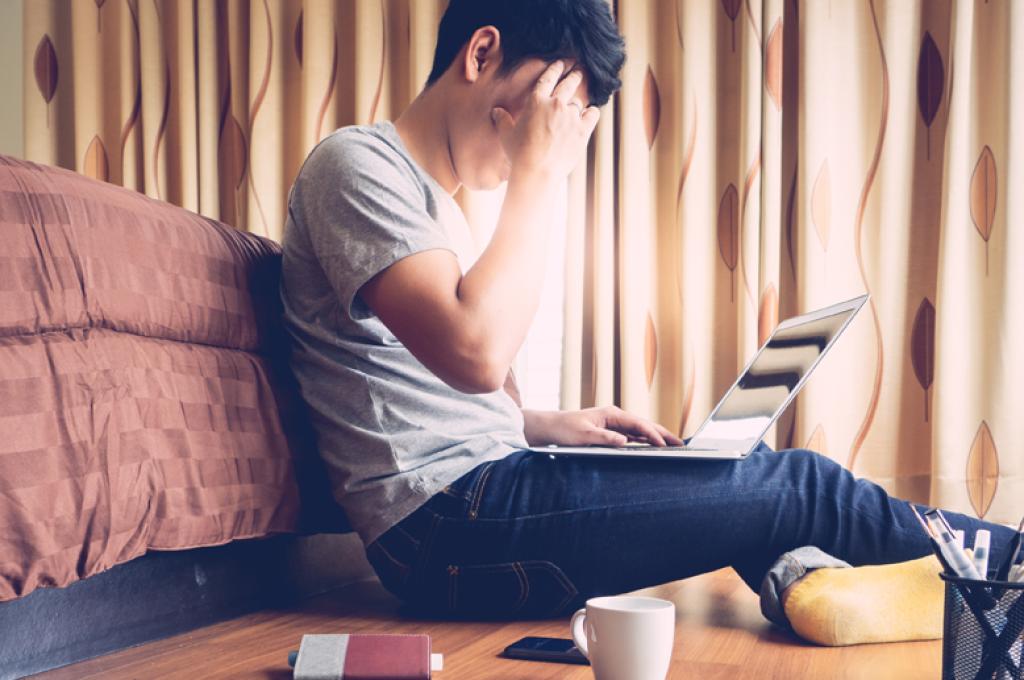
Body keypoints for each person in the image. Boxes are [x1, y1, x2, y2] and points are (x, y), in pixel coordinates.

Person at [280, 0, 1022, 643]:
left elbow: (425, 389)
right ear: (483, 52)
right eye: (556, 109)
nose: (554, 140)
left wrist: (541, 423)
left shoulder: (435, 209)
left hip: (482, 496)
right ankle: (1009, 572)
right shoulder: (355, 164)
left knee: (749, 487)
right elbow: (474, 351)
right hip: (444, 530)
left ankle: (828, 594)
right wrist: (540, 174)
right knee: (795, 487)